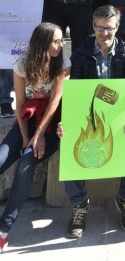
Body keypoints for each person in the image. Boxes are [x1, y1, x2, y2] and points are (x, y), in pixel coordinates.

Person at [58, 5, 125, 237]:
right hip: (88, 115)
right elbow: (75, 94)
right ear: (93, 26)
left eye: (110, 28)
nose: (105, 33)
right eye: (100, 28)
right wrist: (67, 121)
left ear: (117, 27)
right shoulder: (81, 54)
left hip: (118, 116)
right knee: (68, 142)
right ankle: (79, 204)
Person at [0, 23, 70, 252]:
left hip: (51, 124)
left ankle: (3, 229)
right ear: (43, 44)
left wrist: (37, 136)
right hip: (27, 119)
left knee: (25, 163)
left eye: (62, 40)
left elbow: (54, 103)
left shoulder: (63, 63)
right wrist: (23, 137)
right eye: (57, 41)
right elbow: (19, 104)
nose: (62, 45)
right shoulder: (22, 64)